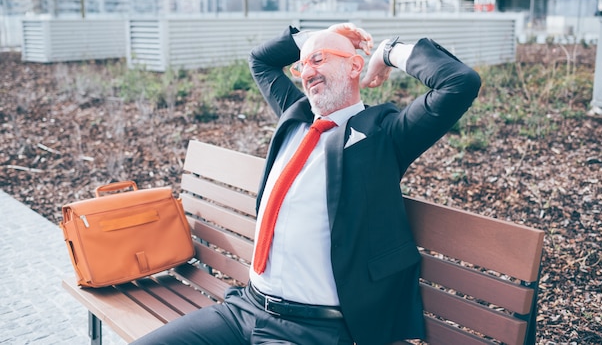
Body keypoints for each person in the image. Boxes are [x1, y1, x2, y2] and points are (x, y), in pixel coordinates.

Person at [132, 23, 481, 345]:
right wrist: (317, 37)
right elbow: (261, 61)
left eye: (319, 60)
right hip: (243, 309)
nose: (307, 71)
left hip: (311, 329)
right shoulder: (295, 115)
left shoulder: (383, 135)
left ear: (355, 67)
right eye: (302, 66)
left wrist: (387, 51)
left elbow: (459, 82)